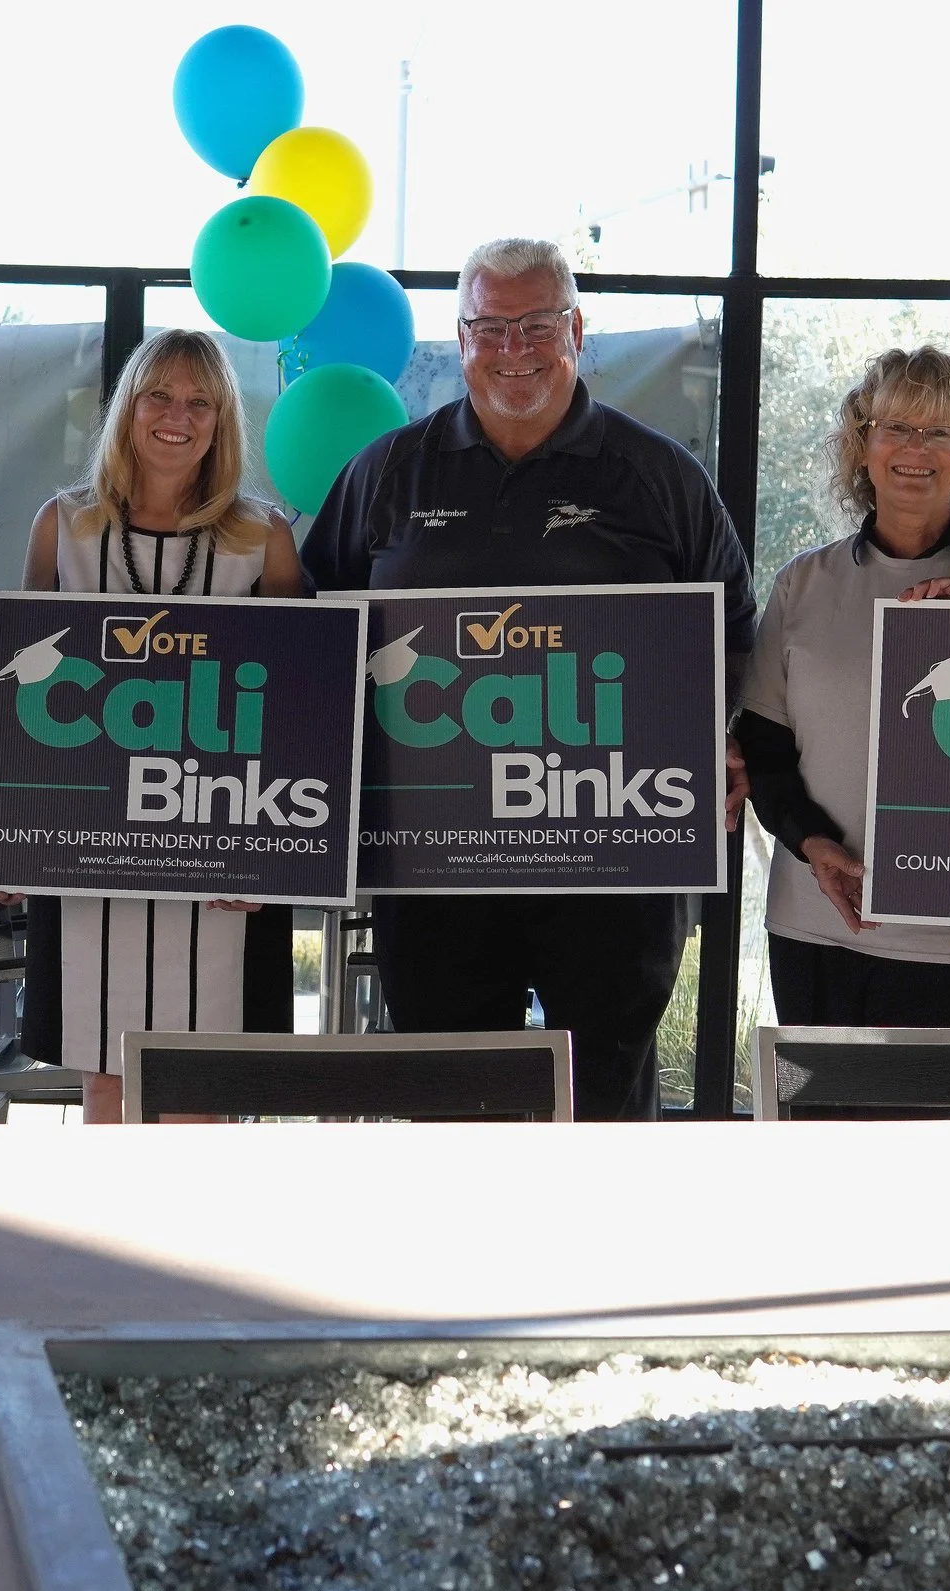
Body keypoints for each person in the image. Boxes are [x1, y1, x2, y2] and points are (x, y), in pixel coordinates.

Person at [300, 237, 756, 1120]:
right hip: (432, 869)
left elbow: (732, 637)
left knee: (606, 1108)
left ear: (576, 330)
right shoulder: (388, 472)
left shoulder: (660, 478)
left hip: (613, 864)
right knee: (452, 1105)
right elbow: (319, 633)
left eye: (537, 324)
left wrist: (715, 739)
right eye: (491, 327)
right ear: (461, 339)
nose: (514, 349)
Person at [737, 347, 950, 1091]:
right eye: (895, 427)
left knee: (917, 1152)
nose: (915, 451)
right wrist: (815, 846)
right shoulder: (804, 581)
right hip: (814, 920)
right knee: (814, 1136)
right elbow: (763, 747)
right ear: (862, 443)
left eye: (940, 434)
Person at [11, 330, 305, 1123]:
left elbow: (296, 715)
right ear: (128, 409)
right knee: (103, 1083)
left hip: (222, 864)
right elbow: (15, 701)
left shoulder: (262, 540)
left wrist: (269, 861)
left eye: (199, 401)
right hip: (90, 856)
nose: (178, 417)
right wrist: (7, 834)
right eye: (160, 396)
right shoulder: (63, 528)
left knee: (201, 1089)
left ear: (222, 420)